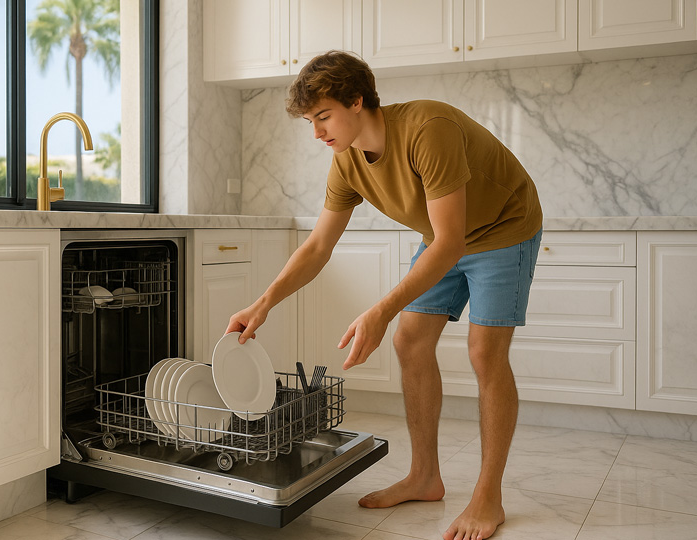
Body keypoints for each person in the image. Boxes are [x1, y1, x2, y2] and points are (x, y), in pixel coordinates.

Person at [225, 50, 542, 540]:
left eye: (323, 117)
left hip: (503, 229)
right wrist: (261, 304)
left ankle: (488, 497)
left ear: (357, 101)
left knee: (485, 354)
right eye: (311, 121)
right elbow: (317, 246)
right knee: (409, 341)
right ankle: (424, 476)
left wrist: (379, 310)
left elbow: (451, 241)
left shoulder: (426, 128)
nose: (317, 133)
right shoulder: (346, 160)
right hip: (444, 239)